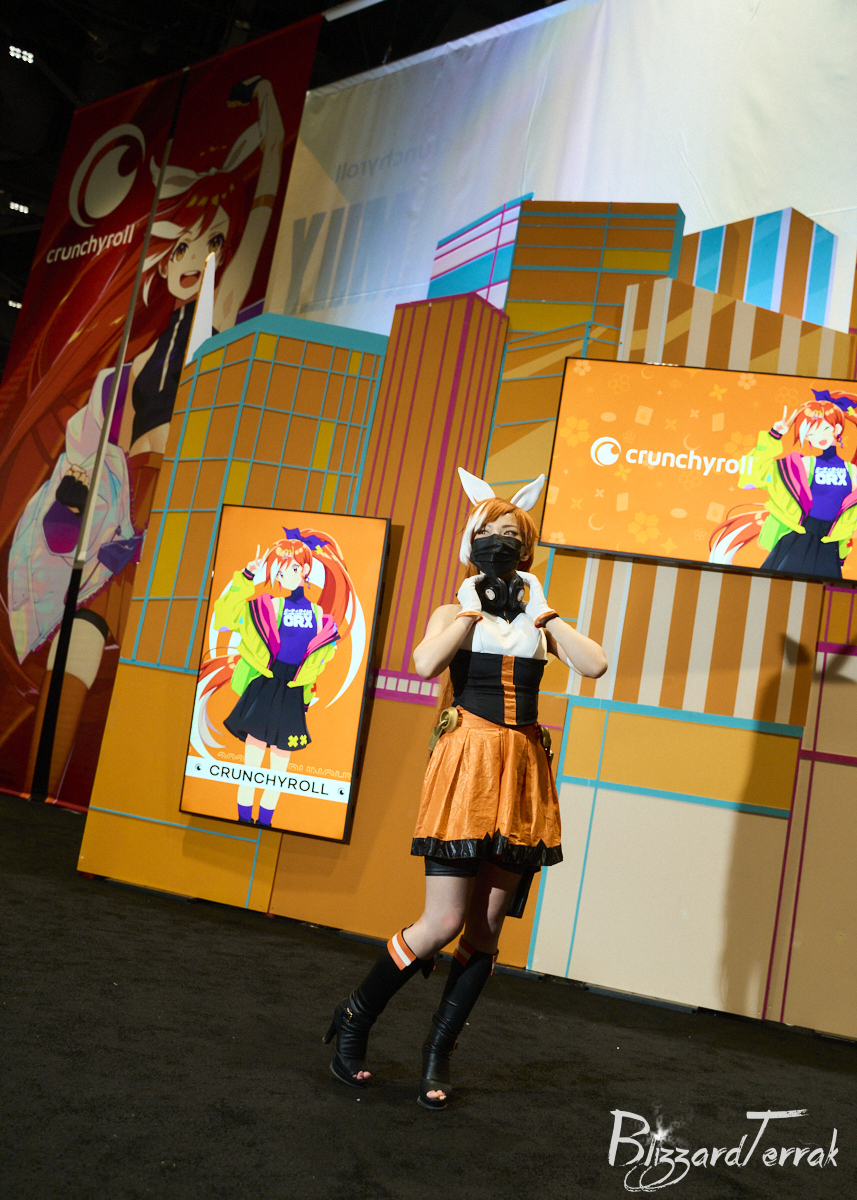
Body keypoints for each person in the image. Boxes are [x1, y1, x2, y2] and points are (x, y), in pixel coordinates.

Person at [323, 468, 607, 1109]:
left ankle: (437, 1052)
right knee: (444, 920)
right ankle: (354, 1019)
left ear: (527, 550)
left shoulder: (538, 619)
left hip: (522, 768)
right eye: (489, 533)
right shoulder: (453, 611)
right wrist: (473, 609)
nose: (500, 544)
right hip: (467, 762)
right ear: (471, 542)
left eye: (512, 536)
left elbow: (595, 663)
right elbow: (425, 663)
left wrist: (543, 612)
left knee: (485, 927)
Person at [195, 529, 355, 825]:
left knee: (280, 769)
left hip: (293, 691)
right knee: (251, 765)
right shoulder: (267, 606)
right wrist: (246, 576)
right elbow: (226, 616)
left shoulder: (321, 618)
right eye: (280, 572)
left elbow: (321, 657)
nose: (286, 576)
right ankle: (244, 819)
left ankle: (265, 820)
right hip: (266, 685)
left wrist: (308, 682)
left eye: (292, 568)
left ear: (305, 570)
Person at [709, 390, 857, 578]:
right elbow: (755, 475)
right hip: (797, 539)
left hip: (830, 544)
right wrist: (774, 435)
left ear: (837, 429)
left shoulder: (852, 471)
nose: (818, 436)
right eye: (811, 433)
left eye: (825, 428)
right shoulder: (804, 464)